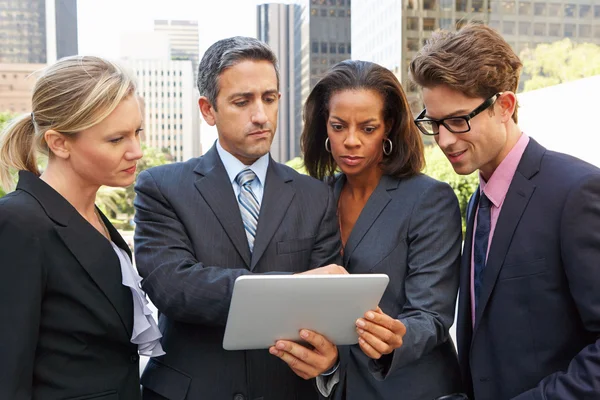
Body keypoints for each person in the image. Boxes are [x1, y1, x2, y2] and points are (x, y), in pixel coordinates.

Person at [134, 36, 344, 400]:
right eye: (242, 101)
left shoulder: (316, 196)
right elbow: (173, 287)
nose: (261, 115)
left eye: (270, 98)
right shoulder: (161, 187)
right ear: (207, 109)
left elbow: (322, 303)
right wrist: (292, 284)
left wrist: (329, 359)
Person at [410, 23, 600, 400]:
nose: (444, 140)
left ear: (505, 106)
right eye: (434, 123)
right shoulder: (476, 203)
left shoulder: (576, 192)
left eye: (458, 120)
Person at [0, 55, 163, 399]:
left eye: (137, 132)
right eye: (116, 139)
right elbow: (8, 372)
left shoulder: (93, 218)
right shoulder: (19, 223)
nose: (136, 151)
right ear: (59, 143)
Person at [300, 59, 464, 399]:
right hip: (335, 387)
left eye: (368, 128)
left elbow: (432, 315)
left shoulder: (428, 199)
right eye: (339, 126)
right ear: (324, 127)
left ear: (388, 126)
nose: (351, 141)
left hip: (412, 389)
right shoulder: (315, 197)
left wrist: (396, 335)